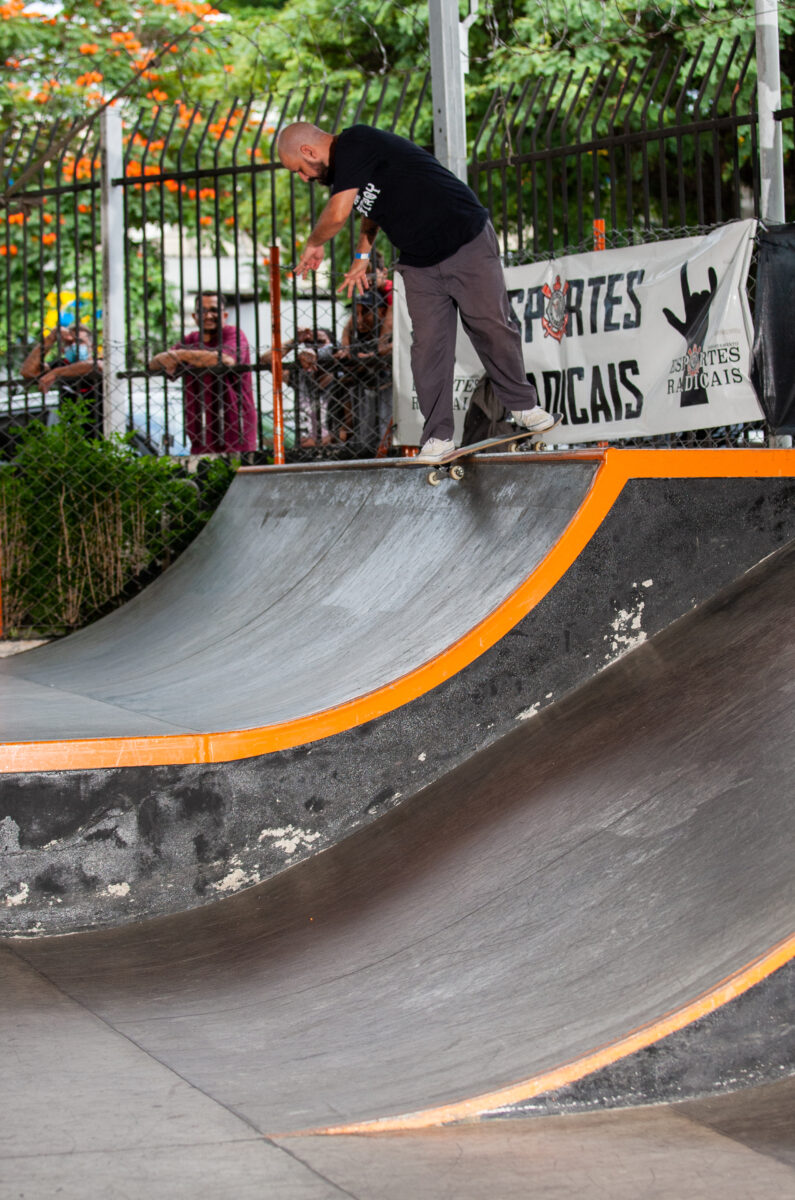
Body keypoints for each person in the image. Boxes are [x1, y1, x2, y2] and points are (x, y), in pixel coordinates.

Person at [277, 121, 557, 462]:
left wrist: (313, 244)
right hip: (419, 261)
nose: (304, 178)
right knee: (428, 349)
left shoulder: (355, 141)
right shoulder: (349, 171)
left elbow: (337, 215)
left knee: (491, 326)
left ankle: (523, 407)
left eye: (300, 170)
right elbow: (371, 210)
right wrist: (362, 255)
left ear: (308, 151)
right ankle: (438, 437)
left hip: (464, 238)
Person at [149, 292, 257, 454]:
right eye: (202, 311)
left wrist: (181, 355)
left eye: (214, 310)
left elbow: (226, 360)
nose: (208, 315)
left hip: (235, 427)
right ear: (194, 316)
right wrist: (165, 357)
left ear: (225, 315)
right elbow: (155, 365)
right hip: (201, 430)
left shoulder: (233, 334)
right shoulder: (190, 340)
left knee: (239, 475)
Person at [20, 323, 103, 434]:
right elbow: (28, 372)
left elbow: (96, 366)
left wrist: (56, 373)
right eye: (69, 343)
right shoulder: (62, 364)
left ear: (92, 347)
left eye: (80, 342)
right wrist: (51, 338)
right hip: (73, 437)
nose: (75, 346)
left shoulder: (102, 361)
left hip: (103, 432)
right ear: (63, 349)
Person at [260, 327, 336, 448]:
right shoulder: (300, 377)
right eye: (309, 344)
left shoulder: (342, 378)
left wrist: (324, 440)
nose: (313, 348)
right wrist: (295, 341)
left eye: (321, 343)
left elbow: (350, 425)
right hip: (305, 448)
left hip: (337, 449)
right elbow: (265, 361)